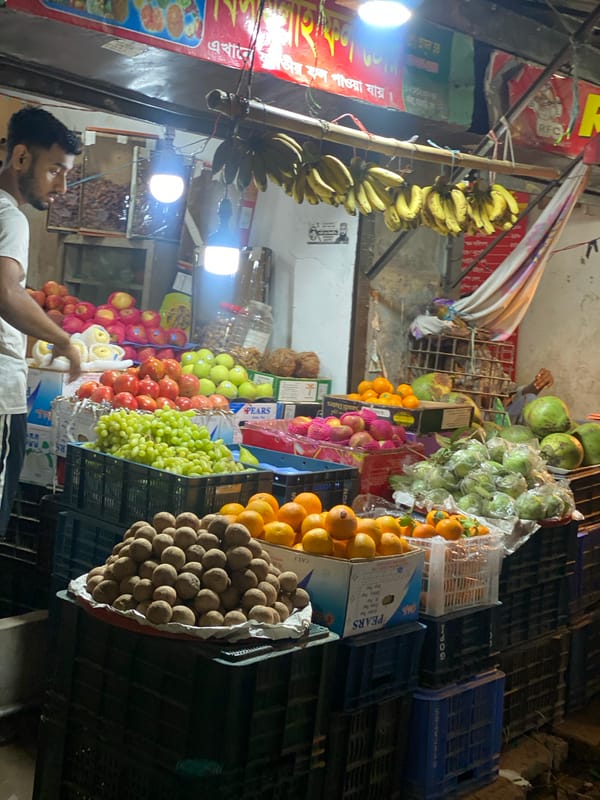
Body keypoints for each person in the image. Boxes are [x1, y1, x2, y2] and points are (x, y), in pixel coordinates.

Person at [0, 107, 82, 537]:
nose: (62, 185)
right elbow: (6, 292)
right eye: (55, 170)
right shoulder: (9, 215)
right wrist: (63, 340)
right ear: (20, 159)